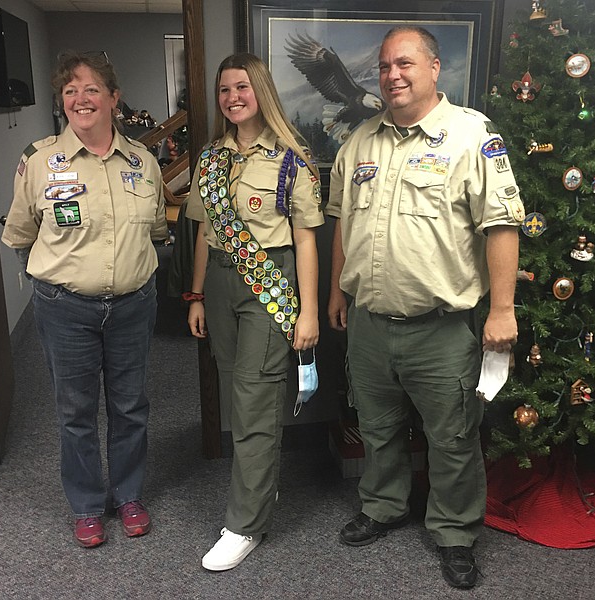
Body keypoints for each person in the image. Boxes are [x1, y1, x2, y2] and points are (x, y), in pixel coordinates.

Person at [326, 27, 524, 589]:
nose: (393, 74)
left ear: (435, 69)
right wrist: (339, 290)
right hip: (369, 323)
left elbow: (502, 224)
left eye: (405, 63)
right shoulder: (359, 141)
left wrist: (502, 311)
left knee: (453, 437)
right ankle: (384, 506)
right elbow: (343, 219)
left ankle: (456, 532)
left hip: (441, 328)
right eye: (386, 65)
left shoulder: (473, 136)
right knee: (377, 426)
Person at [1, 51, 168, 548]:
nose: (80, 99)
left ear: (114, 99)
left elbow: (156, 230)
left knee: (130, 405)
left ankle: (129, 494)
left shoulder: (144, 162)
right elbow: (21, 235)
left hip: (134, 304)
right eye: (70, 91)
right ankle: (87, 504)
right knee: (75, 411)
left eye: (91, 89)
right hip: (65, 307)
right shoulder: (38, 161)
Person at [185, 52, 324, 571]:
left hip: (268, 286)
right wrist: (196, 294)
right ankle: (261, 490)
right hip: (220, 286)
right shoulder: (212, 158)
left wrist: (307, 313)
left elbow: (306, 241)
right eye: (224, 90)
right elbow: (204, 230)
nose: (232, 97)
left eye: (242, 87)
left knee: (255, 400)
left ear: (260, 90)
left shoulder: (292, 158)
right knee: (236, 394)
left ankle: (245, 523)